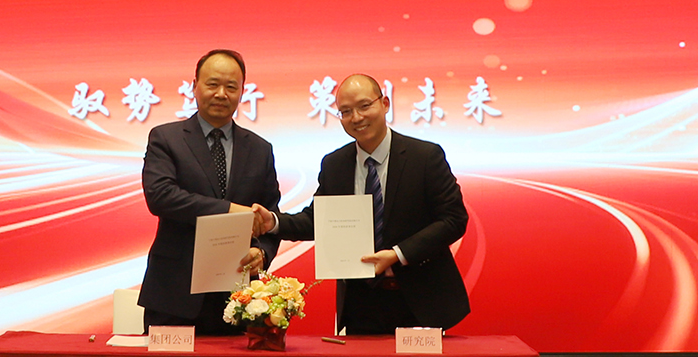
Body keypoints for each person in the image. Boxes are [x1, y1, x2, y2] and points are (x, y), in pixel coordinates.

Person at [253, 74, 469, 335]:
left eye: (364, 106)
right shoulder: (335, 164)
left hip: (421, 300)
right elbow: (318, 220)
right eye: (346, 111)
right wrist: (274, 222)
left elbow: (453, 219)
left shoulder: (424, 157)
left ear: (385, 104)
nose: (356, 117)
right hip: (361, 304)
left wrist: (397, 255)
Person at [139, 49, 280, 334]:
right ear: (194, 86)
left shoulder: (260, 149)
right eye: (212, 84)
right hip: (174, 294)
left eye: (231, 87)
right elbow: (161, 196)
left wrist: (262, 253)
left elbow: (269, 216)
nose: (221, 94)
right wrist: (230, 211)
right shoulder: (166, 138)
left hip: (238, 298)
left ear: (242, 92)